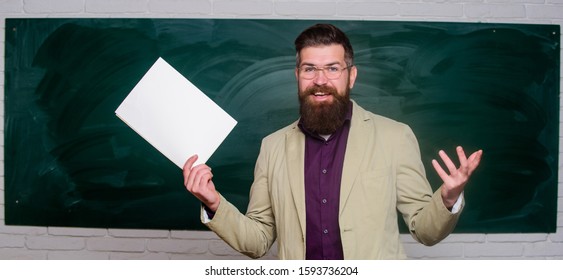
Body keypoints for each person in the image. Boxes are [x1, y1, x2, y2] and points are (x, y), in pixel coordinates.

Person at [183, 23, 482, 259]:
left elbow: (424, 231)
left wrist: (446, 199)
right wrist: (214, 203)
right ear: (297, 75)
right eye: (309, 69)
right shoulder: (272, 147)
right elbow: (258, 240)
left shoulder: (395, 136)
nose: (320, 80)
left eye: (332, 68)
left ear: (351, 76)